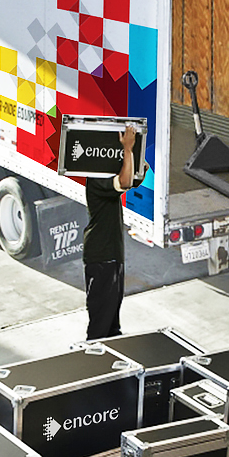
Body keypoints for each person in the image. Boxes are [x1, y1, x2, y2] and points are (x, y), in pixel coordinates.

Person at [83, 125, 137, 340]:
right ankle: (92, 366)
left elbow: (134, 176)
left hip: (112, 257)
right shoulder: (97, 180)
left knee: (112, 324)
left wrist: (133, 152)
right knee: (100, 324)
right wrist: (128, 150)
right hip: (101, 258)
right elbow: (124, 181)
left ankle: (110, 362)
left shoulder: (105, 177)